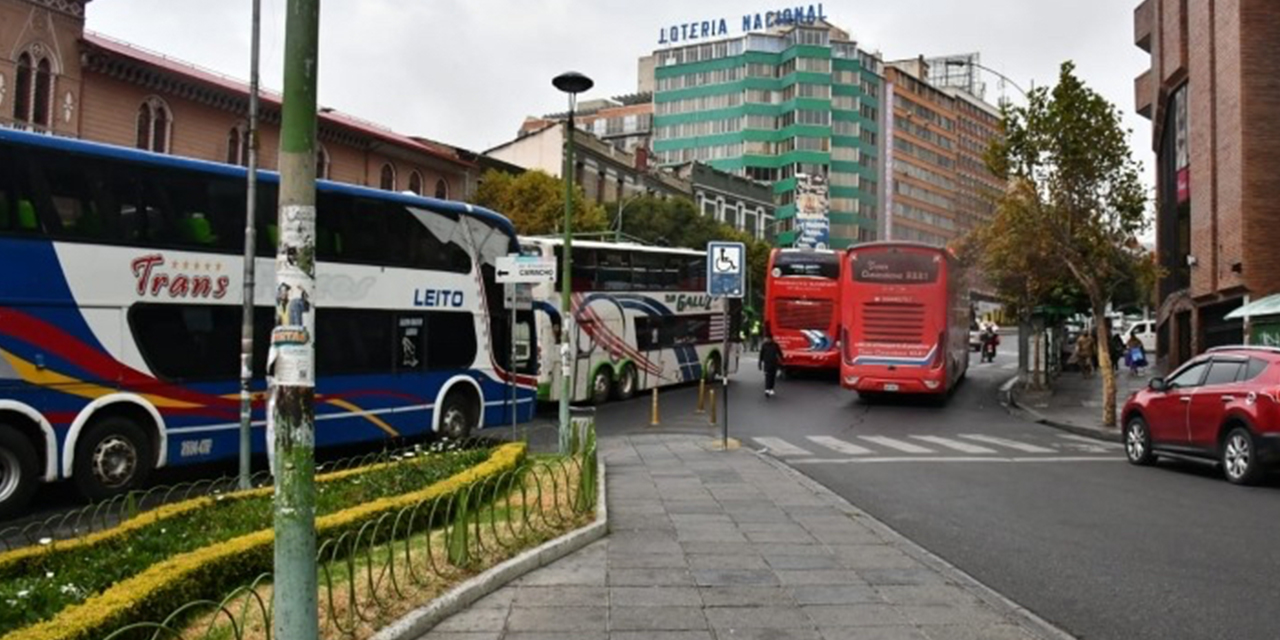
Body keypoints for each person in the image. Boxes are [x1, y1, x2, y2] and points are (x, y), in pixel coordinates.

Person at [759, 332, 782, 397]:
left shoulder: (775, 345)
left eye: (767, 338)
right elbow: (761, 354)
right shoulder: (764, 345)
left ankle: (771, 388)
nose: (766, 340)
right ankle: (767, 389)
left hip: (774, 363)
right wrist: (760, 363)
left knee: (772, 377)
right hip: (767, 363)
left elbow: (779, 353)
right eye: (766, 338)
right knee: (767, 377)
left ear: (771, 339)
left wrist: (782, 361)